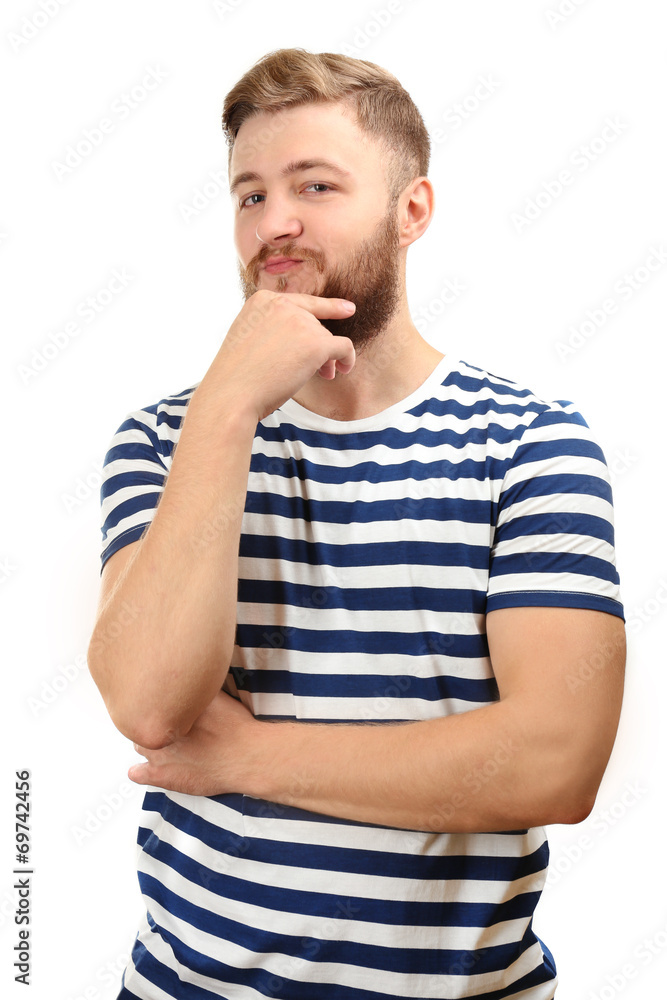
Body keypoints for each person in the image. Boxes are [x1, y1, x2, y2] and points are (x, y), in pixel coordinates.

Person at [88, 47, 626, 1000]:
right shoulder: (165, 437)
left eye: (316, 185)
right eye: (249, 195)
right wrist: (226, 410)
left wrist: (247, 756)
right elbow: (149, 705)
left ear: (411, 210)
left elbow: (555, 762)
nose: (275, 224)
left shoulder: (532, 442)